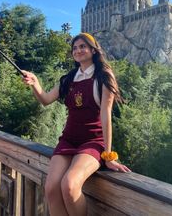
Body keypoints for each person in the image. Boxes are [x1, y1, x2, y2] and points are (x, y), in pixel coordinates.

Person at [22, 32, 130, 216]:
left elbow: (106, 115)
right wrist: (35, 83)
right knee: (51, 189)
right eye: (74, 48)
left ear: (93, 50)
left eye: (82, 46)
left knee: (70, 185)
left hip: (93, 141)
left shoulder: (104, 76)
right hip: (68, 140)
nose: (78, 50)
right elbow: (46, 99)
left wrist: (109, 155)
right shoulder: (69, 78)